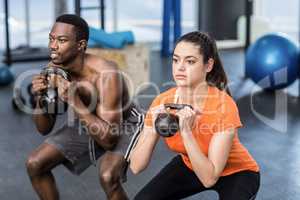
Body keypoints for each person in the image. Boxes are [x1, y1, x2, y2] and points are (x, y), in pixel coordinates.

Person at [130, 31, 260, 200]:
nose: (180, 67)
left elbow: (209, 179)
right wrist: (153, 128)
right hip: (191, 165)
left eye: (190, 61)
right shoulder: (163, 102)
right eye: (176, 60)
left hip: (238, 172)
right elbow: (136, 166)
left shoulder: (223, 106)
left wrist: (186, 132)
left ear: (208, 65)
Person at [26, 14, 142, 200]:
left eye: (61, 40)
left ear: (80, 45)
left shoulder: (106, 74)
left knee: (108, 177)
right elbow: (43, 128)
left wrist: (74, 101)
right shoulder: (54, 68)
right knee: (35, 163)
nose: (52, 46)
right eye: (51, 38)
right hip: (87, 118)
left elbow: (109, 140)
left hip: (124, 122)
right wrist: (40, 98)